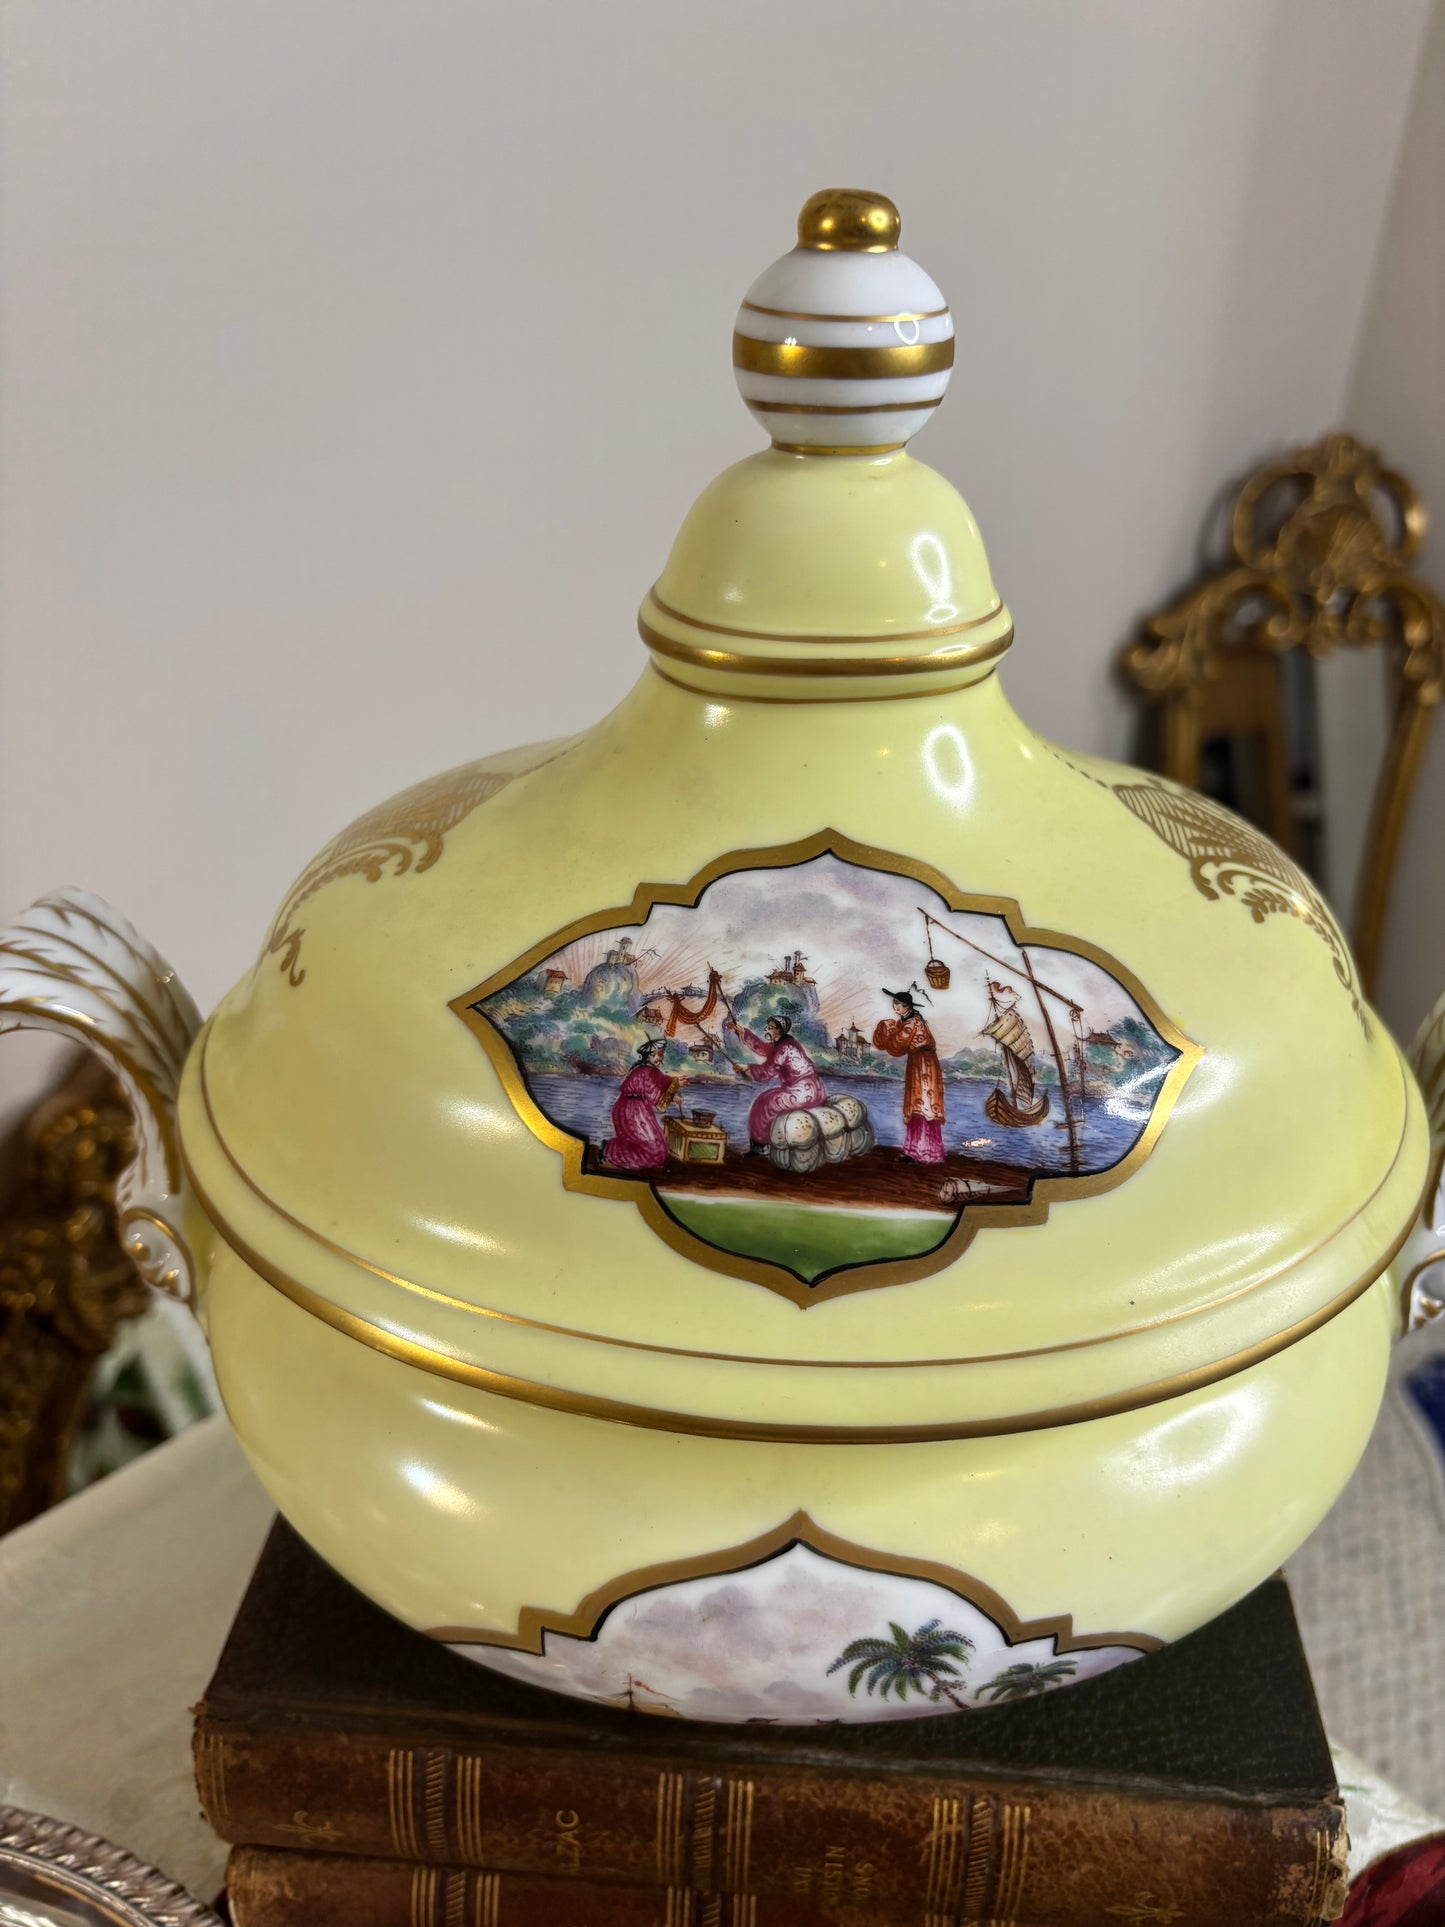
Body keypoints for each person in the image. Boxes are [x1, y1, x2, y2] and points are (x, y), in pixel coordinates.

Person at [725, 1014, 826, 1155]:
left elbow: (766, 1073)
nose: (766, 1029)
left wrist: (746, 1069)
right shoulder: (786, 1044)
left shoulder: (784, 1049)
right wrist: (742, 1032)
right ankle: (764, 1144)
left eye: (770, 1027)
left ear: (779, 1031)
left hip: (802, 1093)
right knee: (765, 1099)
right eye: (768, 1026)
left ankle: (760, 1147)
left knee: (764, 1104)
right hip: (811, 1090)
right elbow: (763, 1048)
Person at [873, 985, 946, 1163]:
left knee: (923, 1106)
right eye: (894, 1004)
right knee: (915, 1105)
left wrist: (886, 1027)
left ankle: (925, 1153)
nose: (895, 1008)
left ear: (908, 1007)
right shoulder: (906, 1021)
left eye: (899, 1005)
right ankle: (913, 1150)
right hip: (917, 1064)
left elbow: (897, 1046)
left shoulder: (913, 1023)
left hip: (925, 1066)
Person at [601, 1038, 678, 1170]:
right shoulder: (647, 1070)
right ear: (647, 1057)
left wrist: (673, 1096)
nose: (658, 1058)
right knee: (652, 1153)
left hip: (635, 1109)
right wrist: (675, 1084)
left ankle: (611, 1147)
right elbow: (654, 1093)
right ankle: (610, 1149)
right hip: (631, 1111)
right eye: (654, 1055)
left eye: (660, 1054)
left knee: (658, 1149)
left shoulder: (644, 1069)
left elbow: (655, 1088)